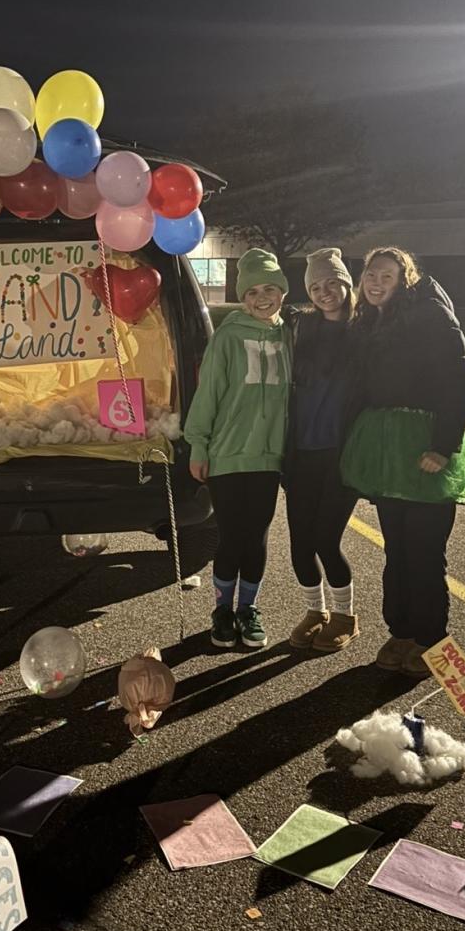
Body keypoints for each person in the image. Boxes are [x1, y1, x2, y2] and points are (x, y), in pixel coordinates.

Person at [340, 248, 465, 677]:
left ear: (405, 280)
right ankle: (401, 631)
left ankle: (430, 638)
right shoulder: (369, 322)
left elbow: (462, 380)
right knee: (397, 550)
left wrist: (443, 446)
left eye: (387, 275)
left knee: (424, 552)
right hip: (386, 451)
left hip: (424, 448)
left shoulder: (430, 314)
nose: (376, 283)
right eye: (371, 275)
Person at [184, 249, 291, 650]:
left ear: (282, 292)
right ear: (243, 298)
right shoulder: (228, 337)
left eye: (269, 289)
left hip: (268, 457)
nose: (262, 298)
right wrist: (199, 445)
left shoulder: (288, 336)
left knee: (257, 536)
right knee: (231, 536)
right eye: (252, 292)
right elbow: (208, 394)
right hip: (227, 455)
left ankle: (248, 609)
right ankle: (222, 610)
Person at [285, 248, 360, 653]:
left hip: (340, 454)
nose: (324, 292)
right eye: (315, 286)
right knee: (300, 544)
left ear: (346, 283)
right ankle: (316, 612)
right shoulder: (303, 329)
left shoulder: (365, 331)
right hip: (301, 452)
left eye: (332, 282)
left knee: (326, 540)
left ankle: (346, 616)